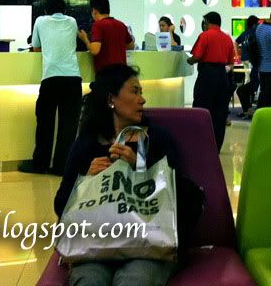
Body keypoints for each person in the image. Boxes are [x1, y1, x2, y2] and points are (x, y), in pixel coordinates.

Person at [54, 64, 179, 286]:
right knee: (89, 281)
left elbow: (176, 197)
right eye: (135, 91)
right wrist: (86, 180)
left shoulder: (158, 138)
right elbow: (61, 204)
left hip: (146, 244)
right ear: (111, 99)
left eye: (141, 92)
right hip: (94, 244)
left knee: (134, 281)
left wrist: (140, 167)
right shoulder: (87, 143)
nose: (142, 100)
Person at [20, 0, 82, 176]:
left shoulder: (40, 21)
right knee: (68, 125)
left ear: (46, 10)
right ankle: (62, 166)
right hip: (73, 78)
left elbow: (36, 48)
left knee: (45, 122)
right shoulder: (72, 21)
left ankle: (40, 164)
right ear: (64, 10)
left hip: (51, 77)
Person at [187, 12, 235, 151]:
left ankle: (200, 144)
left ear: (207, 22)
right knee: (220, 112)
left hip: (207, 75)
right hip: (222, 75)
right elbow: (230, 61)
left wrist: (189, 60)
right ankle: (216, 147)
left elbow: (196, 56)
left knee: (201, 109)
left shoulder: (205, 36)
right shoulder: (227, 38)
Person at [78, 0, 134, 74]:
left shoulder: (98, 25)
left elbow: (94, 50)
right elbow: (131, 46)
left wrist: (85, 39)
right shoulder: (121, 24)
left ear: (94, 11)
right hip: (122, 73)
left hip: (106, 74)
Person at [234, 15, 260, 116]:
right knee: (250, 79)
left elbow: (236, 42)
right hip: (252, 61)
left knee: (248, 79)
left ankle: (249, 107)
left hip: (245, 59)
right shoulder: (256, 33)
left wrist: (237, 55)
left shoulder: (245, 33)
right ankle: (251, 102)